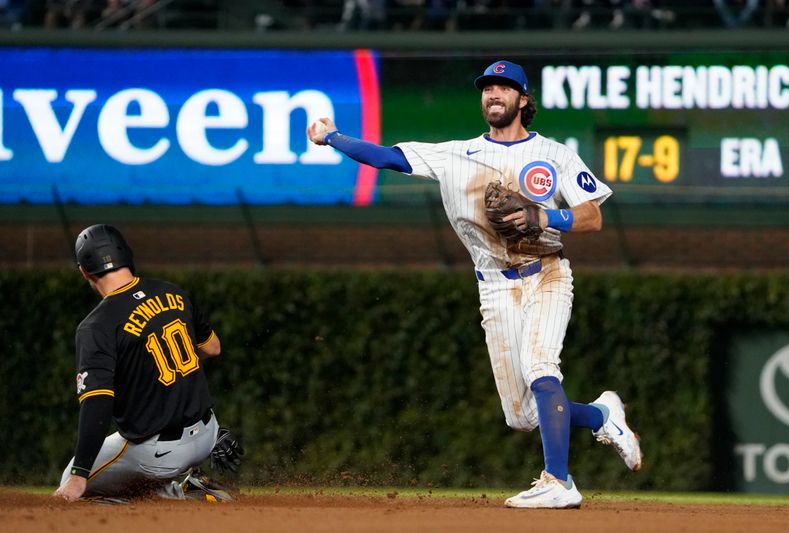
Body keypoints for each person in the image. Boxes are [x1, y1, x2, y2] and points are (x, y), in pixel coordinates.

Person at [307, 60, 642, 509]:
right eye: (488, 88)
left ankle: (558, 481)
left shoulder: (556, 154)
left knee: (542, 367)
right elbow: (387, 156)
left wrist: (544, 215)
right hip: (494, 286)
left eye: (504, 88)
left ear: (523, 100)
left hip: (546, 272)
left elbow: (593, 216)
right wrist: (333, 137)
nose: (493, 95)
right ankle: (602, 415)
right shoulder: (455, 154)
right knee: (522, 416)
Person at [54, 224, 243, 503]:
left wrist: (80, 476)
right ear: (127, 257)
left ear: (84, 271)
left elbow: (97, 404)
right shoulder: (172, 293)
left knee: (71, 484)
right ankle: (195, 488)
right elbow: (212, 348)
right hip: (208, 433)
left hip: (156, 454)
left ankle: (175, 497)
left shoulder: (96, 326)